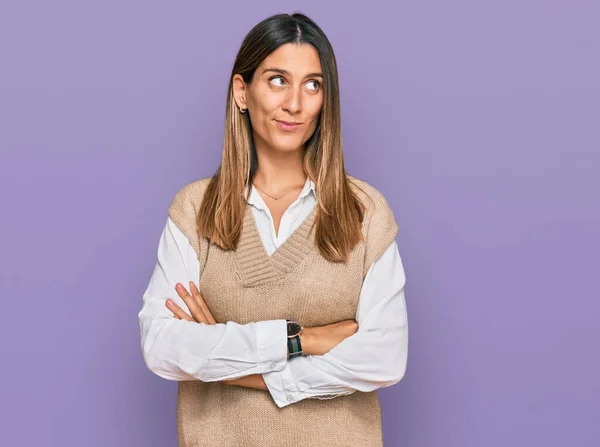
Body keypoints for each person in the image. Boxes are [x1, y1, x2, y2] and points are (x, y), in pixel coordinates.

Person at [138, 12, 408, 447]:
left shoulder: (365, 212)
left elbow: (385, 358)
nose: (295, 104)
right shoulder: (194, 209)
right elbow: (162, 346)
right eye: (278, 80)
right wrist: (303, 340)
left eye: (313, 85)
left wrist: (227, 364)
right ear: (242, 92)